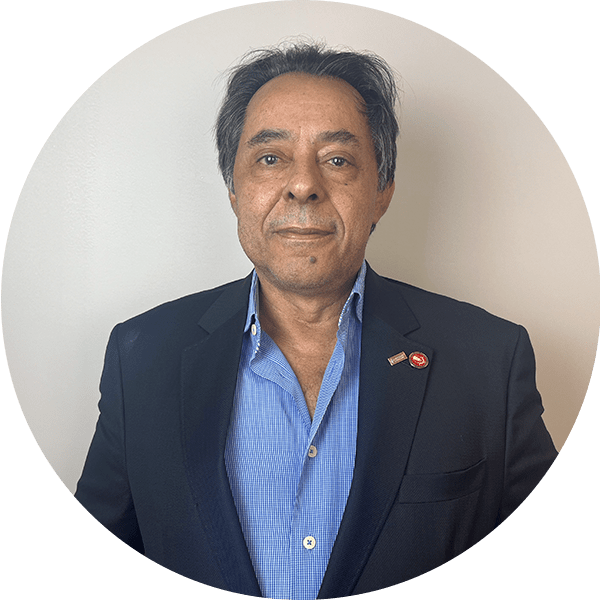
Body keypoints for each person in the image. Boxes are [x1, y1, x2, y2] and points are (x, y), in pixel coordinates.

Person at [75, 42, 557, 600]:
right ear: (233, 190)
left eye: (337, 160)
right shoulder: (142, 357)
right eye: (270, 158)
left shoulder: (489, 361)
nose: (303, 185)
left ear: (382, 193)